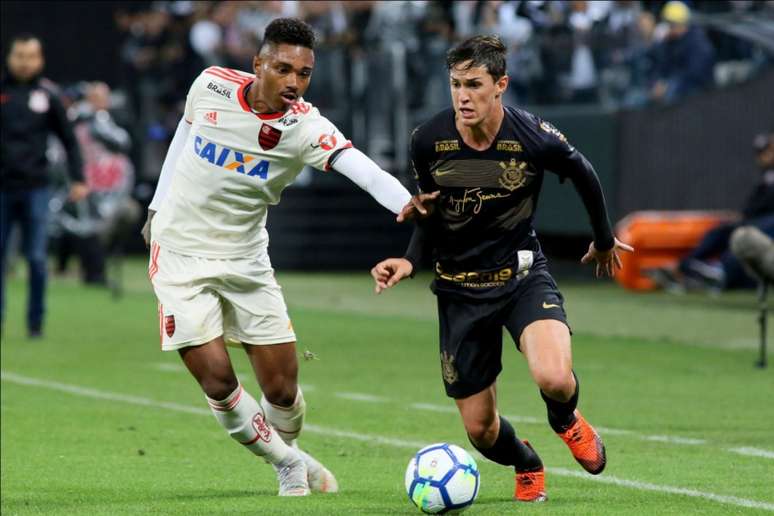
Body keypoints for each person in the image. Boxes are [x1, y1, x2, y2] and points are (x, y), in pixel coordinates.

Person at [142, 18, 430, 497]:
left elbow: (362, 168)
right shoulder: (210, 84)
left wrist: (406, 201)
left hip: (247, 259)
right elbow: (183, 139)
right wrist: (156, 204)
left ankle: (285, 446)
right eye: (283, 68)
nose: (294, 82)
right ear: (258, 64)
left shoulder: (305, 127)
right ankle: (289, 464)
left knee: (281, 392)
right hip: (180, 254)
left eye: (304, 73)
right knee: (216, 379)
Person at [370, 35, 633, 503]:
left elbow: (583, 173)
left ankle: (565, 420)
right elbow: (430, 210)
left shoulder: (533, 136)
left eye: (474, 84)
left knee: (553, 378)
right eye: (455, 84)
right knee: (481, 433)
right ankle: (527, 462)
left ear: (501, 85)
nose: (462, 96)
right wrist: (410, 260)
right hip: (458, 289)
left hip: (521, 276)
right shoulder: (428, 140)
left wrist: (603, 237)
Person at [0, 34, 89, 338]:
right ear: (10, 57)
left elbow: (69, 140)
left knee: (37, 258)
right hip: (2, 187)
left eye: (31, 56)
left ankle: (35, 323)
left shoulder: (49, 95)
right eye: (19, 56)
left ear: (40, 59)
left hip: (36, 186)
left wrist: (78, 178)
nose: (25, 62)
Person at [649, 133, 774, 292]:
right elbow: (753, 206)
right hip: (756, 221)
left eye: (768, 151)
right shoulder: (767, 178)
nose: (764, 156)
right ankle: (683, 268)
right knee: (721, 230)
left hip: (766, 227)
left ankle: (719, 272)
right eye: (761, 153)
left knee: (747, 236)